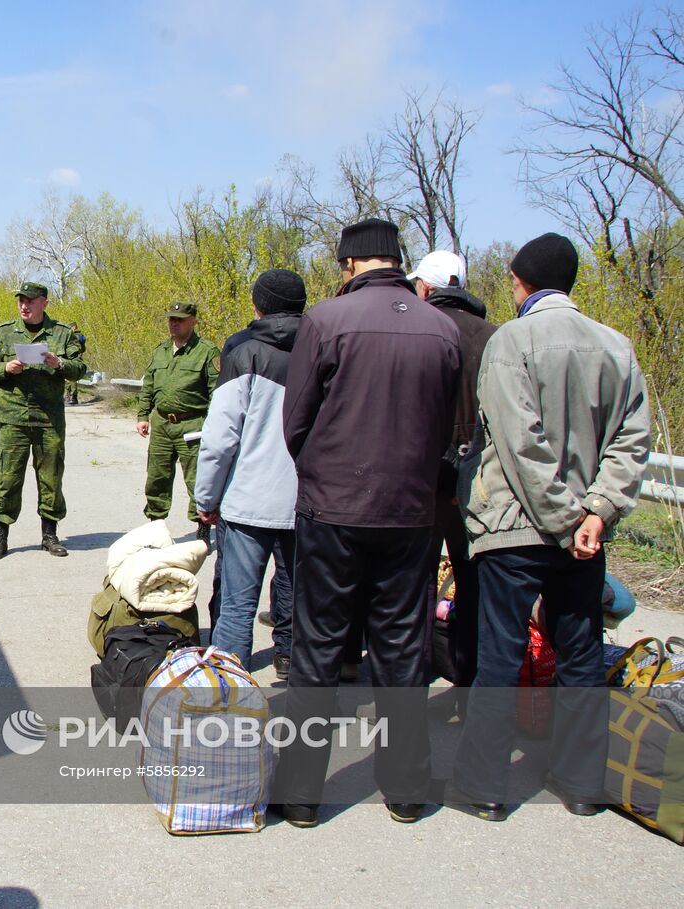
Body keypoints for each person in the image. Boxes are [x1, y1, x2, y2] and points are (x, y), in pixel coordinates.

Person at [449, 233, 650, 821]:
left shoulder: (512, 341)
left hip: (517, 526)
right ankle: (582, 784)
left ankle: (484, 787)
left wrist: (565, 518)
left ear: (523, 282)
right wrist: (597, 511)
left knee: (500, 654)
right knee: (581, 653)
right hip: (584, 536)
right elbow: (632, 440)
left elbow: (520, 443)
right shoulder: (616, 346)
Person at [273, 218, 461, 827]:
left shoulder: (326, 320)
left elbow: (295, 422)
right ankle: (406, 790)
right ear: (398, 261)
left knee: (318, 648)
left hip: (334, 509)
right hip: (410, 512)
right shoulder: (441, 327)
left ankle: (300, 795)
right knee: (403, 650)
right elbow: (450, 427)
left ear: (350, 264)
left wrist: (323, 473)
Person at [193, 270, 305, 676]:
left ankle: (229, 680)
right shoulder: (324, 351)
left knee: (238, 602)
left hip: (249, 500)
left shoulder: (245, 353)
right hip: (306, 500)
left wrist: (207, 498)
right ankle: (288, 657)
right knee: (294, 590)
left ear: (258, 305)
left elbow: (219, 438)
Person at [407, 249, 496, 694]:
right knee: (473, 581)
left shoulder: (417, 330)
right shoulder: (495, 337)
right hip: (480, 479)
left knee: (415, 583)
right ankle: (469, 680)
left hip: (423, 478)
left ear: (426, 287)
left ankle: (413, 682)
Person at [0, 282, 87, 559]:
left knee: (51, 478)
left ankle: (49, 536)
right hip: (13, 416)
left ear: (44, 303)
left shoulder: (62, 333)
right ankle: (0, 537)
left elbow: (79, 369)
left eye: (30, 301)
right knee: (8, 477)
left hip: (48, 418)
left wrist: (59, 364)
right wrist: (5, 367)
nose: (24, 306)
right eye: (21, 301)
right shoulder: (3, 332)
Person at [135, 301, 220, 539]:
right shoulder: (161, 350)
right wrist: (143, 415)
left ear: (193, 322)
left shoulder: (206, 351)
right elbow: (148, 385)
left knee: (197, 479)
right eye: (171, 319)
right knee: (157, 478)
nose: (174, 323)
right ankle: (155, 527)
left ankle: (202, 529)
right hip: (162, 424)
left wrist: (213, 425)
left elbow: (216, 392)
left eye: (180, 320)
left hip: (192, 425)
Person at [65, 321, 87, 405]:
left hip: (74, 358)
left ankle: (73, 396)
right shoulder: (79, 336)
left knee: (72, 378)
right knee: (68, 378)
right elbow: (83, 349)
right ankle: (69, 395)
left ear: (74, 327)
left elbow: (81, 346)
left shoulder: (76, 335)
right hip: (71, 358)